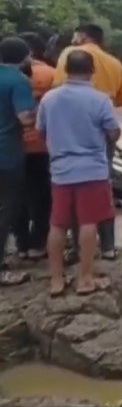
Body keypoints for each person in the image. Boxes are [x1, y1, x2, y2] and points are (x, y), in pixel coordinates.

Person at [37, 50, 121, 297]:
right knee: (88, 222)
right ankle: (85, 278)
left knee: (57, 224)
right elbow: (113, 132)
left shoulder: (49, 99)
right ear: (92, 71)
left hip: (61, 171)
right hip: (92, 170)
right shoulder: (100, 99)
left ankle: (56, 280)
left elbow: (41, 130)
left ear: (66, 70)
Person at [52, 24, 122, 260]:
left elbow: (57, 87)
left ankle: (78, 248)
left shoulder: (69, 53)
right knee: (103, 185)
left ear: (82, 36)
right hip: (102, 131)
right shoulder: (114, 63)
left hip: (69, 131)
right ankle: (108, 246)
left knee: (72, 189)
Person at [0, 37, 36, 287]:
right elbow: (25, 118)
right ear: (24, 57)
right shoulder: (18, 80)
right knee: (4, 212)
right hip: (6, 155)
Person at [17, 32, 55, 261]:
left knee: (15, 197)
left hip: (12, 146)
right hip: (42, 146)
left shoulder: (8, 75)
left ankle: (21, 245)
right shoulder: (51, 75)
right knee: (43, 196)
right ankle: (38, 243)